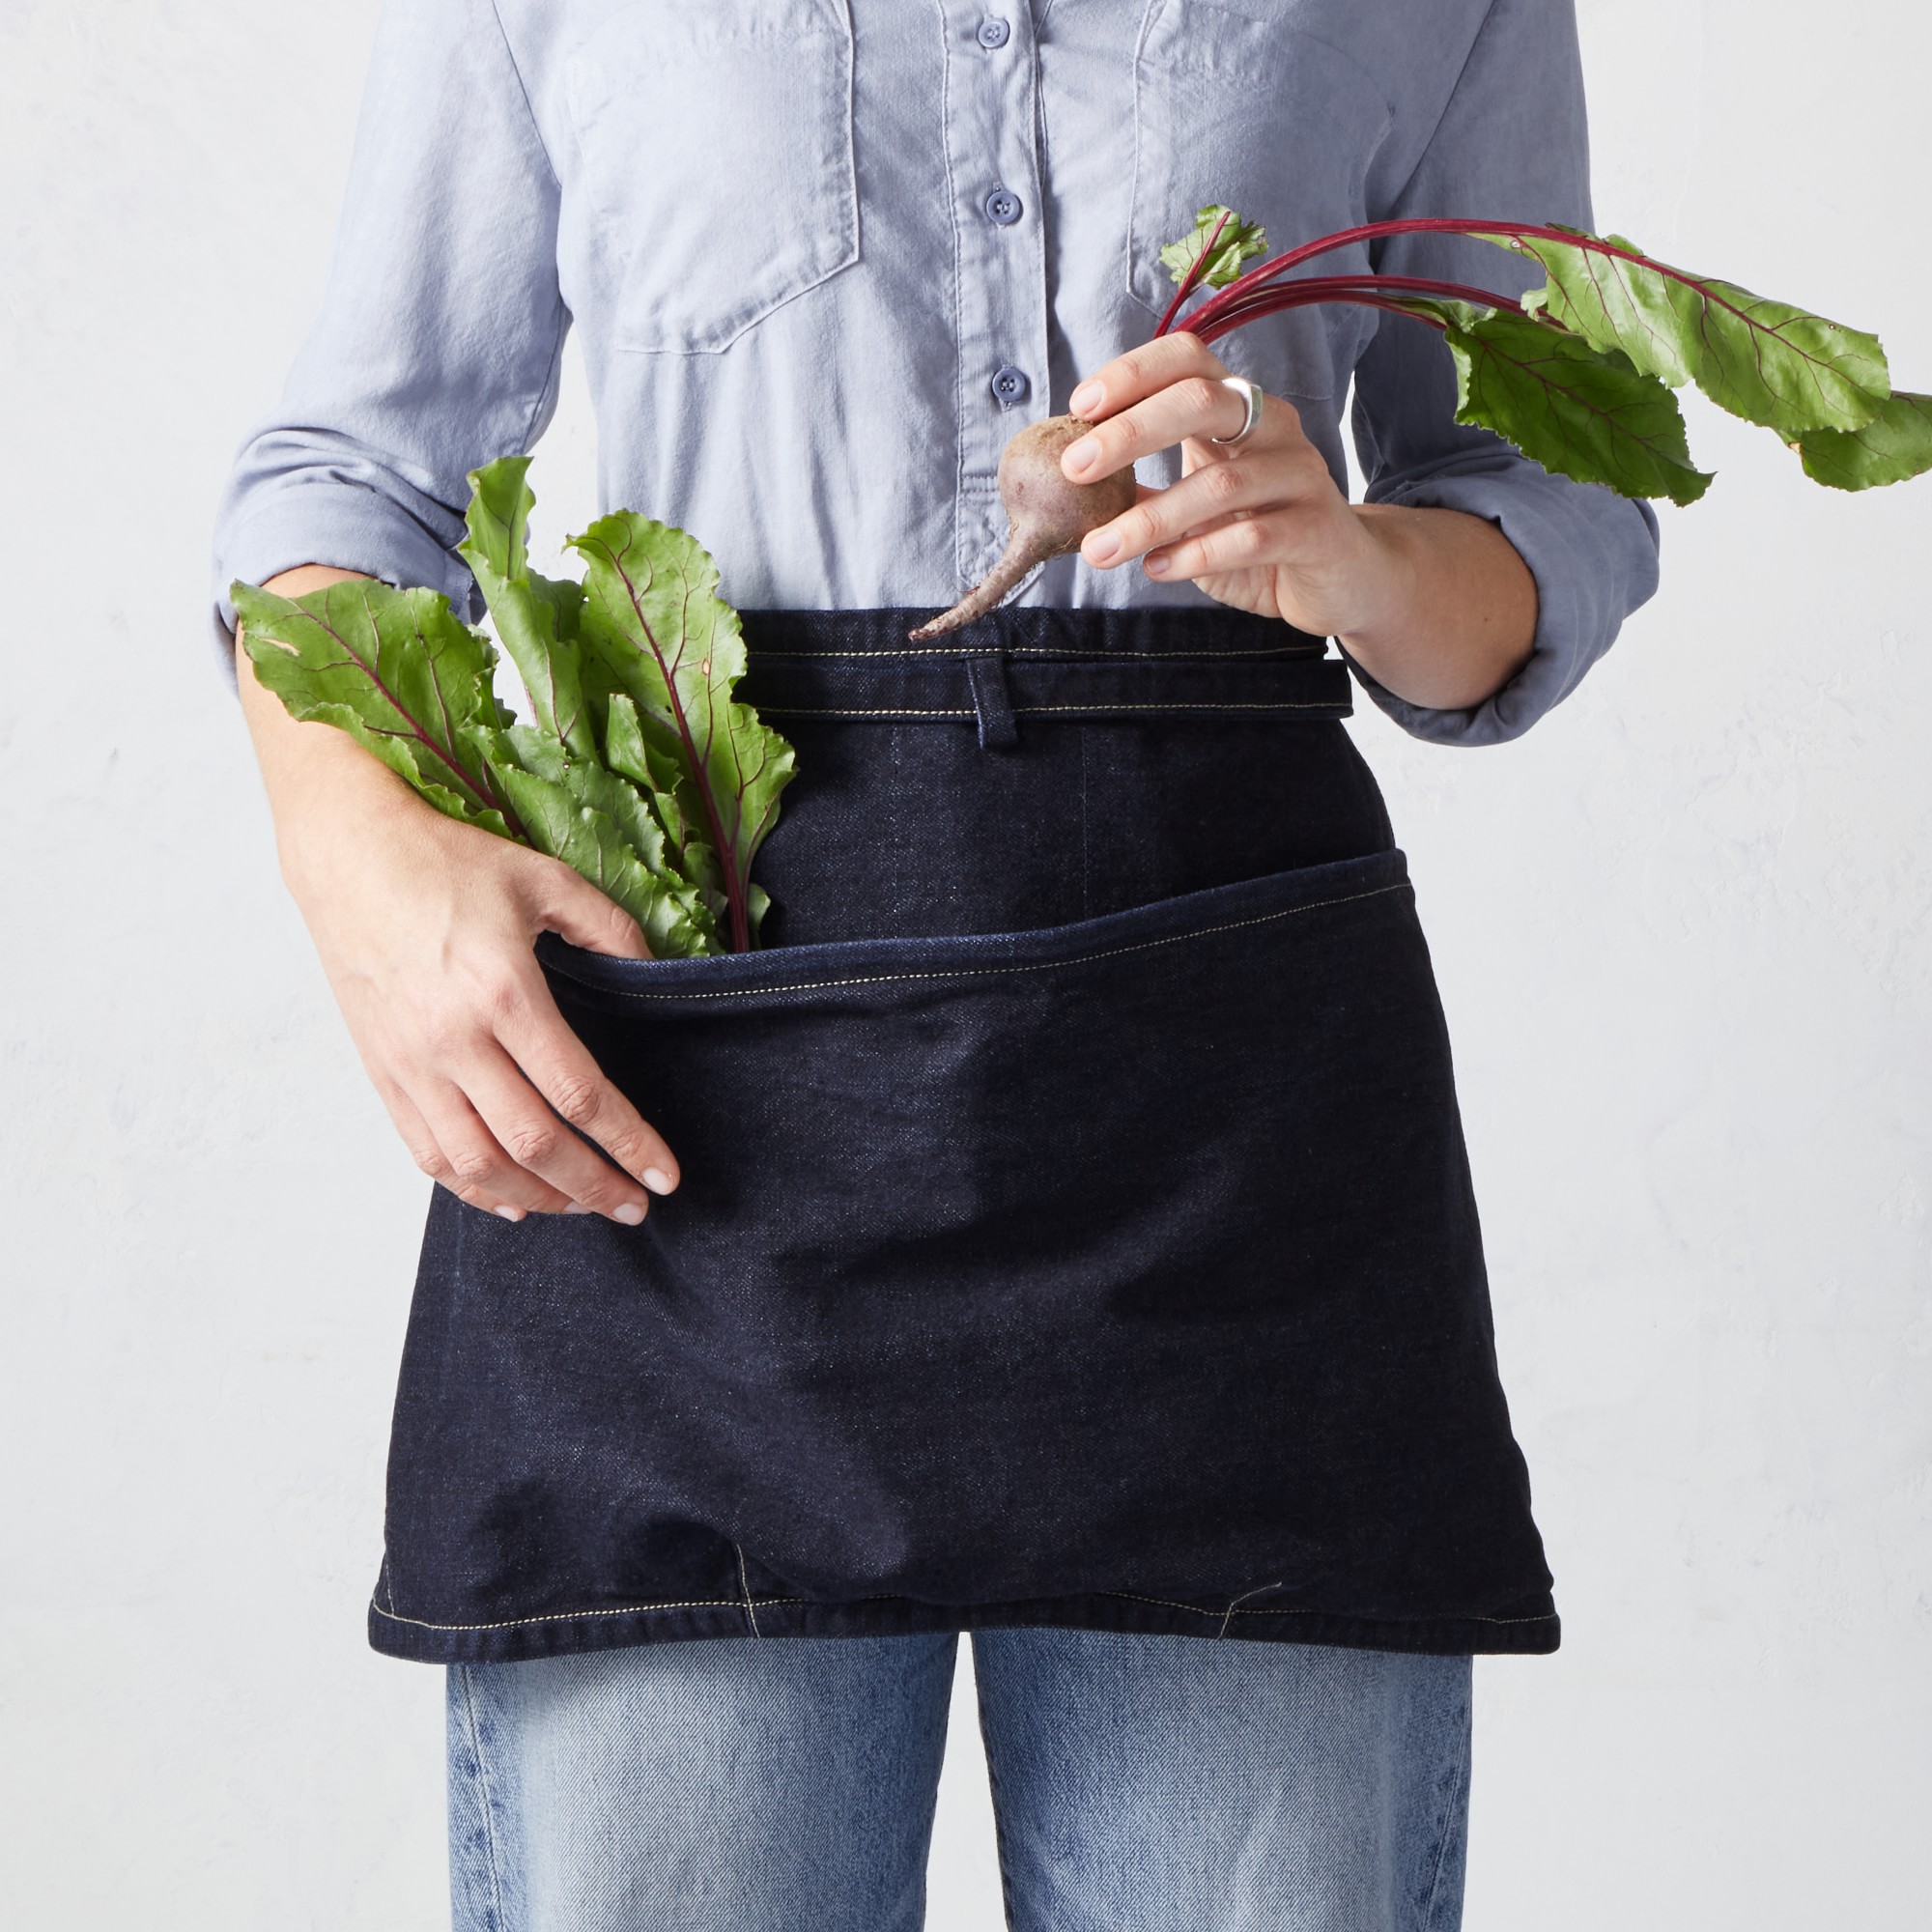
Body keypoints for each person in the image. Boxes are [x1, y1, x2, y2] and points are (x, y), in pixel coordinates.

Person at [212, 2, 1659, 1926]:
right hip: (691, 1100)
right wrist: (349, 853)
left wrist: (1362, 561)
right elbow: (352, 472)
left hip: (1230, 1123)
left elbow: (1539, 486)